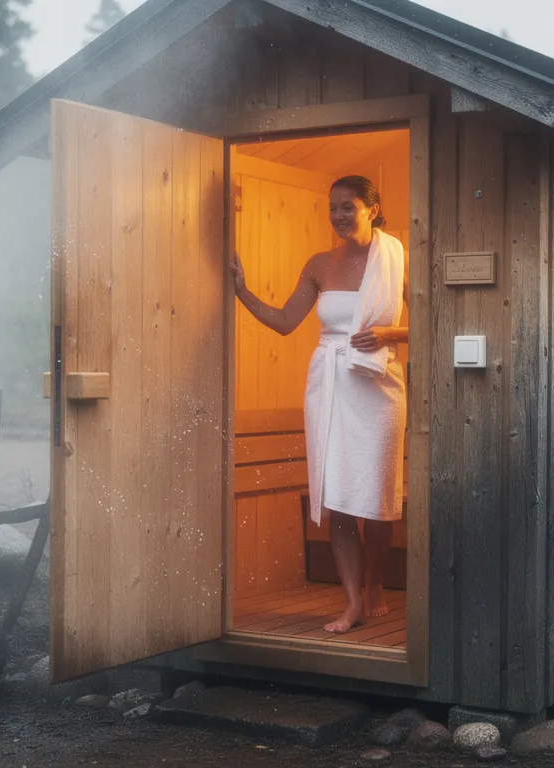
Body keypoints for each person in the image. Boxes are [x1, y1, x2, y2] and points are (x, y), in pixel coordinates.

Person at [230, 175, 407, 634]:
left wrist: (392, 333)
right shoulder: (319, 264)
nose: (338, 215)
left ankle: (374, 582)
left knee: (375, 495)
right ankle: (352, 604)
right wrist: (243, 291)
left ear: (372, 208)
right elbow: (287, 322)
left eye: (348, 206)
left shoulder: (396, 259)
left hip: (378, 384)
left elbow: (439, 318)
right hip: (330, 380)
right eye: (333, 208)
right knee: (338, 495)